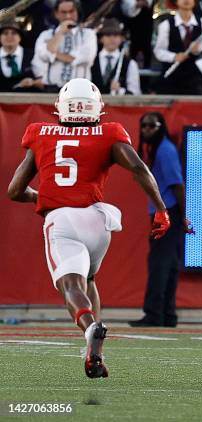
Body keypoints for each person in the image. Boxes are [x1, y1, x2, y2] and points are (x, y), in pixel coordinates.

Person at [7, 78, 170, 378]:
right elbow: (138, 168)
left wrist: (41, 197)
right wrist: (161, 209)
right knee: (90, 281)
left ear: (61, 107)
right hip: (98, 221)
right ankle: (95, 355)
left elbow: (15, 190)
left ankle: (91, 327)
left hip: (62, 220)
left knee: (72, 286)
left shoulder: (40, 133)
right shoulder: (109, 132)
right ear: (97, 108)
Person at [129, 112, 194, 328]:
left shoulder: (165, 150)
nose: (146, 130)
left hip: (167, 212)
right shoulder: (158, 149)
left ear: (161, 127)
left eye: (151, 126)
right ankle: (167, 314)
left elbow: (178, 185)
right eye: (144, 126)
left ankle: (155, 313)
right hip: (166, 210)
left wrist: (182, 217)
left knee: (159, 263)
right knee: (169, 264)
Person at [32, 0, 97, 92]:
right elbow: (44, 56)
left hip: (80, 90)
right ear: (56, 14)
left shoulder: (88, 34)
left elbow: (87, 58)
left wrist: (54, 54)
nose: (68, 16)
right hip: (52, 89)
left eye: (71, 11)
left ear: (77, 12)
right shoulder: (46, 35)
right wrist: (60, 33)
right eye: (63, 12)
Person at [153, 0, 202, 95]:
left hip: (194, 80)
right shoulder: (166, 25)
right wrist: (174, 57)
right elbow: (158, 51)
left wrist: (198, 49)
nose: (186, 0)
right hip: (171, 80)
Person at [90, 18, 141, 95]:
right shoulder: (90, 60)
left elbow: (135, 94)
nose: (112, 38)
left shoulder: (130, 64)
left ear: (121, 38)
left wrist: (120, 90)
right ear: (101, 38)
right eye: (108, 35)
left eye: (116, 35)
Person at [0, 20, 44, 92]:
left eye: (14, 33)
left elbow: (43, 78)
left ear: (20, 37)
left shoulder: (33, 55)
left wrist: (33, 82)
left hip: (29, 100)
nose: (9, 36)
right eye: (5, 33)